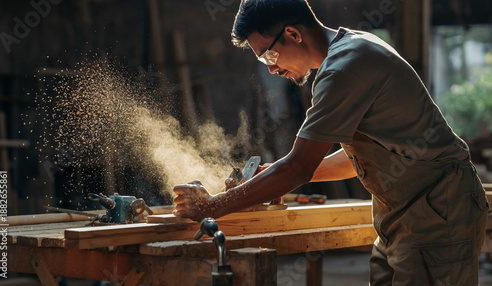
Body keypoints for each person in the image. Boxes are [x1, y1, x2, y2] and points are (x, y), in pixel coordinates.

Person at [172, 0, 488, 285]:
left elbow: (298, 167)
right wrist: (271, 177)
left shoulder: (343, 69)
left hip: (438, 208)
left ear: (293, 34)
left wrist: (212, 206)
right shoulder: (349, 48)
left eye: (269, 54)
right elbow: (356, 156)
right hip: (404, 213)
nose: (271, 67)